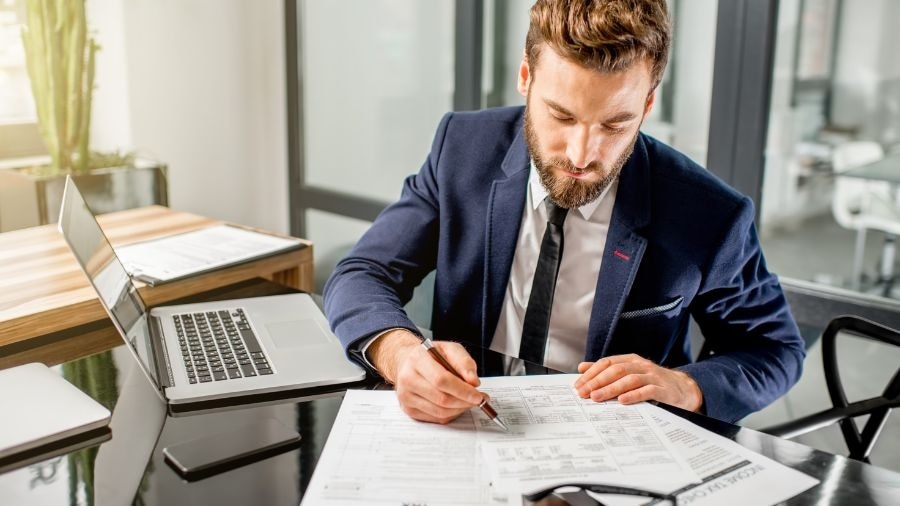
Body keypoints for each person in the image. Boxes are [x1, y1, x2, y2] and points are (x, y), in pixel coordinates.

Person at [323, 0, 805, 425]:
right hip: (465, 426)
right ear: (526, 79)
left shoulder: (709, 213)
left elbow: (776, 350)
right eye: (562, 116)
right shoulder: (462, 149)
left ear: (648, 103)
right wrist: (400, 353)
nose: (581, 154)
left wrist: (688, 387)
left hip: (616, 451)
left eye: (615, 123)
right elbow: (363, 271)